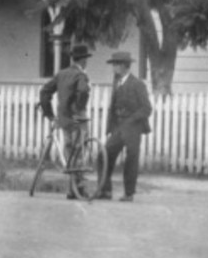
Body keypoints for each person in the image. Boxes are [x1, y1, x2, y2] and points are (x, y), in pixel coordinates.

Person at [39, 44, 93, 199]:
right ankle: (80, 188)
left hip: (64, 119)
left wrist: (49, 113)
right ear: (83, 60)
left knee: (69, 151)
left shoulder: (61, 74)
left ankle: (72, 190)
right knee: (81, 152)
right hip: (77, 118)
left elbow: (44, 91)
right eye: (86, 59)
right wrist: (79, 108)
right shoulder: (81, 75)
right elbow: (83, 91)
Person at [98, 51, 152, 202]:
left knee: (131, 159)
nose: (113, 68)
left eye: (115, 64)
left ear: (123, 65)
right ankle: (105, 191)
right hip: (118, 128)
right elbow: (113, 107)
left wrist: (131, 120)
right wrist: (111, 128)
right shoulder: (117, 82)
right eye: (113, 65)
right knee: (103, 154)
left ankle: (129, 194)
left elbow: (147, 108)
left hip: (133, 128)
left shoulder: (137, 84)